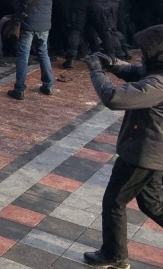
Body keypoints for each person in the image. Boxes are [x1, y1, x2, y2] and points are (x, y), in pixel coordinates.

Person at [81, 26, 163, 269]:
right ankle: (114, 254)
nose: (140, 55)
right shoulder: (157, 73)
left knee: (114, 201)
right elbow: (139, 72)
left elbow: (115, 98)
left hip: (143, 153)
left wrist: (97, 72)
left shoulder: (159, 84)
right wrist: (114, 64)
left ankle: (114, 255)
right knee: (152, 203)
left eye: (145, 51)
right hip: (153, 152)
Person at [5, 0, 57, 100]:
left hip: (27, 22)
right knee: (43, 52)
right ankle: (48, 85)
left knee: (23, 55)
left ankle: (19, 88)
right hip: (45, 22)